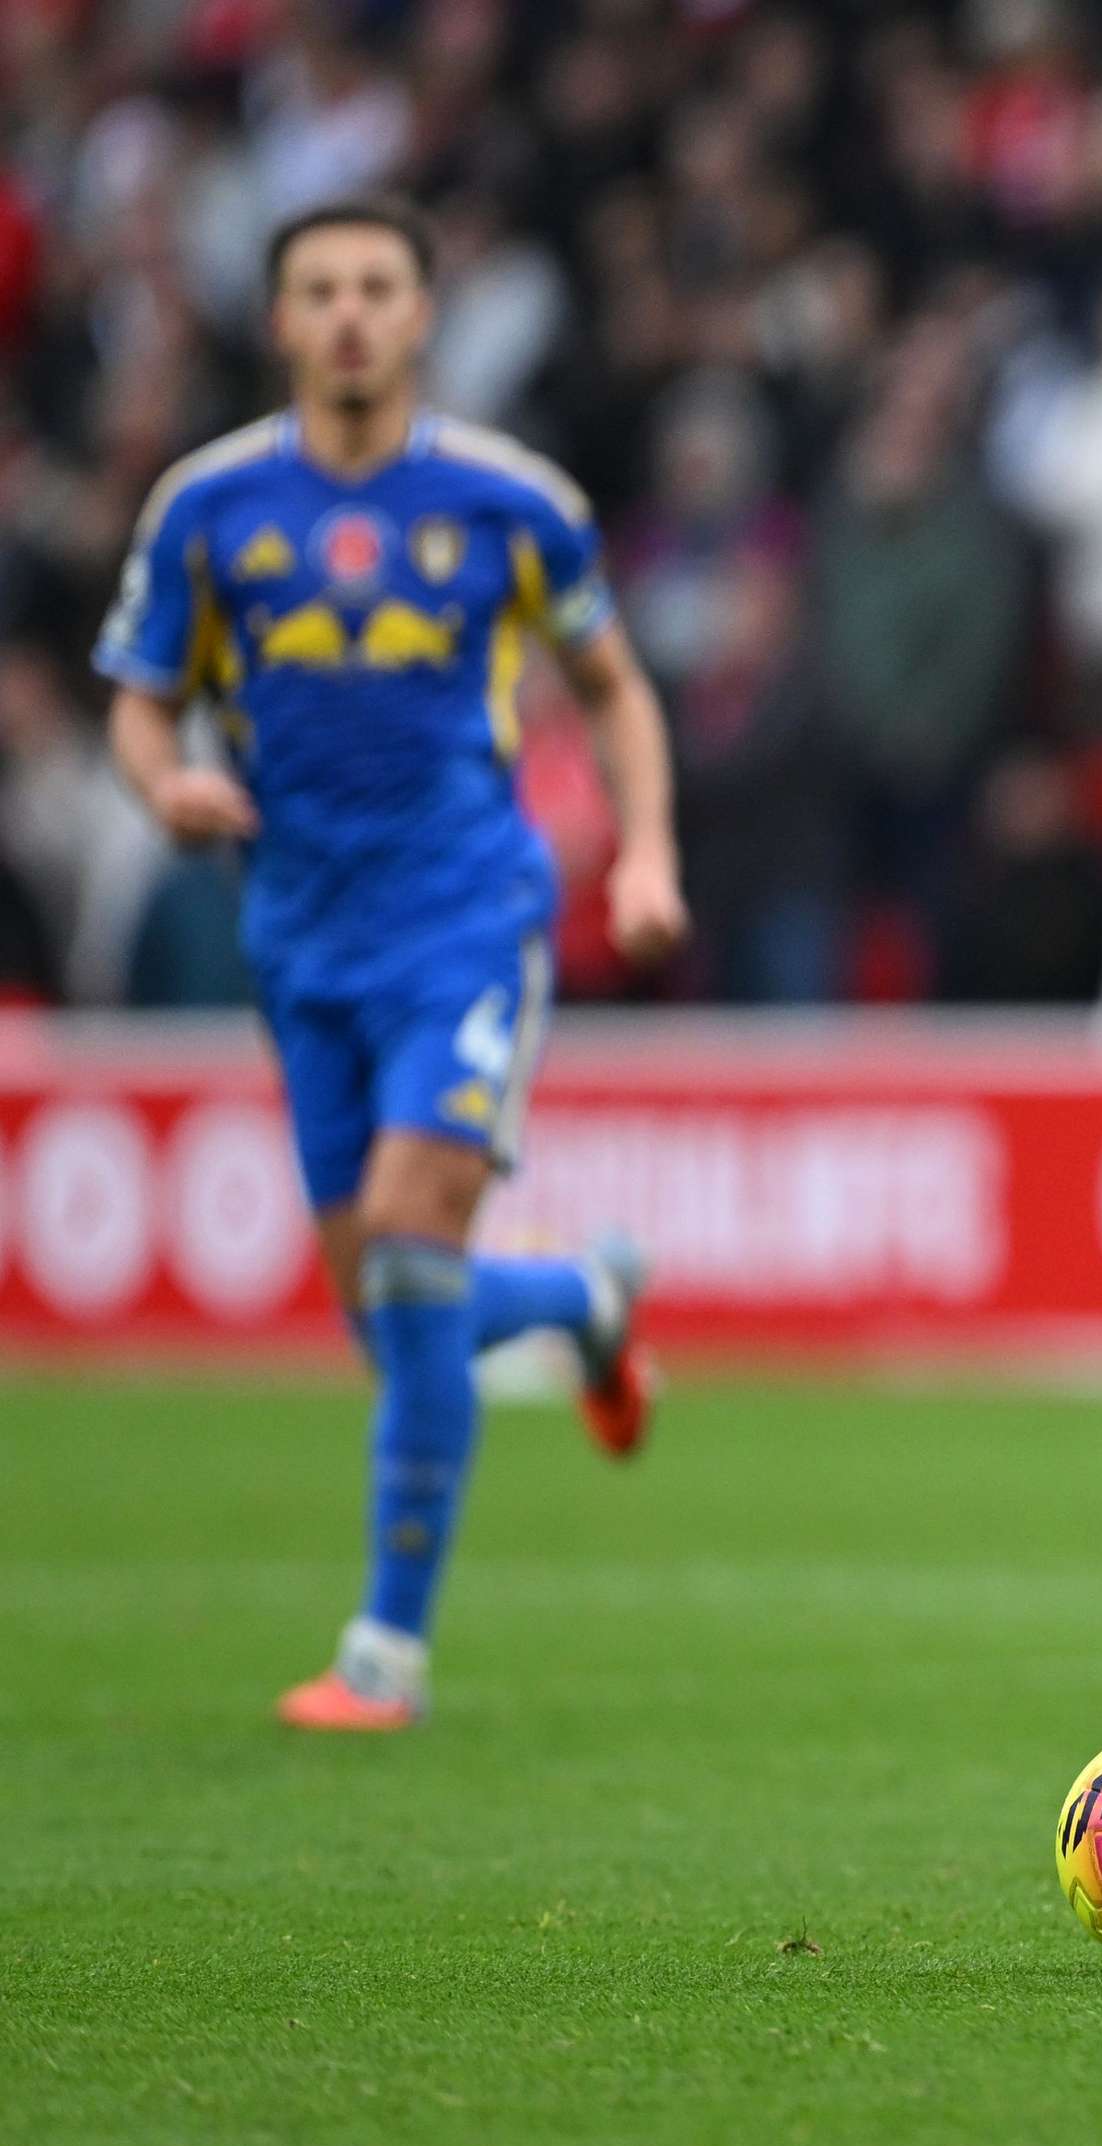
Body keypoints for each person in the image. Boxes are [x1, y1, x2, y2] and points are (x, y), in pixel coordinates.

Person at [95, 199, 689, 1734]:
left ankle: (387, 1654)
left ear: (424, 313)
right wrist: (162, 785)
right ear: (280, 318)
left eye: (377, 287)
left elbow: (613, 688)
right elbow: (141, 700)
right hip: (298, 935)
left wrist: (642, 855)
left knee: (419, 1245)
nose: (350, 313)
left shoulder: (511, 501)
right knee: (385, 1311)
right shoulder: (208, 507)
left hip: (467, 920)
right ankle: (581, 1298)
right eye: (320, 290)